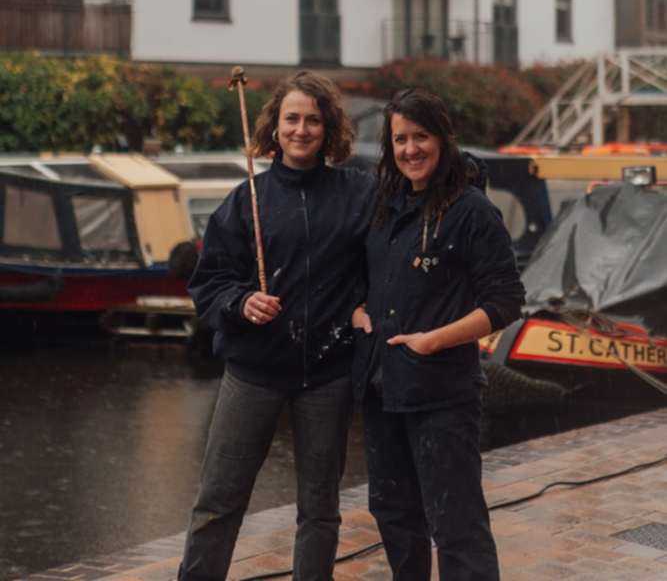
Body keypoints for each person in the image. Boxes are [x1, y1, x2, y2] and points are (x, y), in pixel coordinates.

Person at [178, 70, 374, 581]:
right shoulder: (247, 199)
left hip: (327, 373)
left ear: (328, 128)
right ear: (275, 125)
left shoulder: (359, 194)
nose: (302, 130)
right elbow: (209, 280)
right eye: (292, 119)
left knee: (320, 506)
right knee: (218, 501)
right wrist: (241, 303)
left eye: (313, 120)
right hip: (254, 370)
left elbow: (391, 250)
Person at [352, 87, 525, 581]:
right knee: (394, 515)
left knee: (456, 524)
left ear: (444, 139)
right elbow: (362, 275)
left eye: (421, 136)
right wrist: (354, 310)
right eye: (400, 139)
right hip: (382, 388)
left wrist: (435, 340)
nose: (410, 149)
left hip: (442, 394)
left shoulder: (471, 211)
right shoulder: (385, 205)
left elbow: (506, 300)